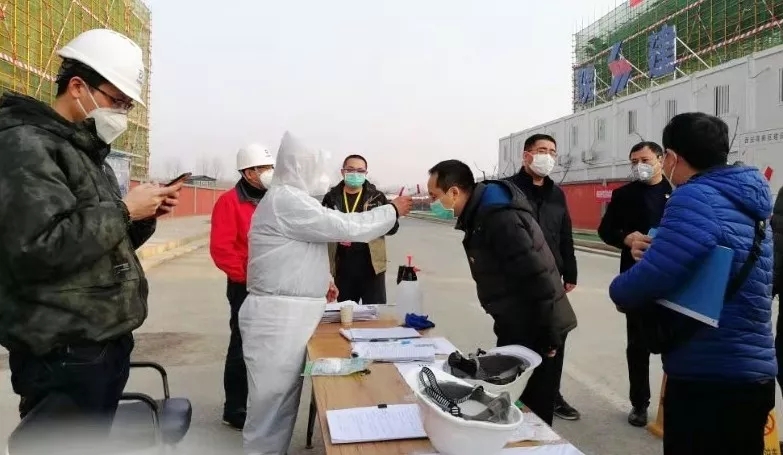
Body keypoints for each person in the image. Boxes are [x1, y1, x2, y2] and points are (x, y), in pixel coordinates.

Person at [0, 28, 181, 440]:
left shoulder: (82, 150)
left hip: (99, 345)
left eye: (128, 105)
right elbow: (38, 249)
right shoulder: (25, 146)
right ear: (78, 87)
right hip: (64, 350)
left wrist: (142, 216)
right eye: (117, 101)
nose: (122, 113)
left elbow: (99, 249)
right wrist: (124, 210)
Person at [609, 112, 775, 454]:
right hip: (753, 372)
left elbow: (655, 275)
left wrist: (619, 288)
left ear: (671, 157)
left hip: (709, 376)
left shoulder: (694, 196)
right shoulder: (753, 204)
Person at [239, 131, 413, 455]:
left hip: (288, 314)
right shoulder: (287, 200)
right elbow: (344, 226)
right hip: (278, 318)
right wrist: (391, 211)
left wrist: (324, 279)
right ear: (300, 167)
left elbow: (305, 248)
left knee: (280, 403)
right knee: (270, 406)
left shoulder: (291, 199)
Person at [426, 159, 577, 425]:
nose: (432, 202)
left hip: (539, 325)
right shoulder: (482, 214)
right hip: (519, 320)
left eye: (433, 195)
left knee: (534, 409)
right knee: (514, 398)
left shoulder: (499, 219)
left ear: (454, 192)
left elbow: (537, 278)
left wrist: (549, 336)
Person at [504, 133, 580, 421]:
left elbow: (565, 233)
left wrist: (570, 269)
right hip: (517, 280)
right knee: (517, 340)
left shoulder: (556, 193)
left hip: (551, 277)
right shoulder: (508, 190)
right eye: (541, 150)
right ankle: (510, 399)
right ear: (527, 155)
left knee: (554, 337)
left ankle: (550, 397)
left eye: (552, 151)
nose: (547, 156)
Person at [597, 141, 672, 427]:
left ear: (661, 159)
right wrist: (626, 238)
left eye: (644, 159)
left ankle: (673, 405)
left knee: (675, 346)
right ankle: (639, 403)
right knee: (638, 346)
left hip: (673, 281)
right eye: (633, 161)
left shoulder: (678, 193)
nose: (639, 166)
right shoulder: (623, 195)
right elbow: (605, 230)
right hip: (637, 280)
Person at [209, 143, 275, 430]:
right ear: (249, 172)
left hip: (274, 285)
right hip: (245, 286)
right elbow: (222, 250)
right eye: (265, 169)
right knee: (241, 346)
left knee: (268, 348)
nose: (270, 173)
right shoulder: (229, 202)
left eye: (271, 168)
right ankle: (234, 409)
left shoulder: (274, 198)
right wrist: (248, 278)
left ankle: (261, 404)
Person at [322, 154, 399, 305]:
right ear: (343, 172)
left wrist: (385, 218)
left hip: (372, 267)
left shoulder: (377, 197)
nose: (355, 174)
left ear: (366, 173)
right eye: (350, 170)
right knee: (345, 312)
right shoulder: (331, 198)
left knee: (375, 312)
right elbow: (323, 229)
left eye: (360, 171)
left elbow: (393, 228)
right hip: (341, 267)